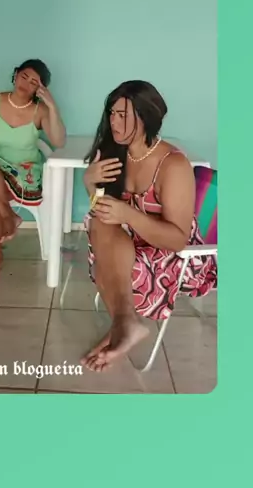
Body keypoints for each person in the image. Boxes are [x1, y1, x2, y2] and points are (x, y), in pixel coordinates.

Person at [81, 80, 217, 372]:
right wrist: (90, 183)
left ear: (145, 117)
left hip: (176, 257)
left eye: (122, 115)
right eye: (111, 113)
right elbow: (105, 208)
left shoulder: (172, 164)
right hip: (133, 243)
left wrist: (127, 215)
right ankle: (125, 323)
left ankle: (122, 324)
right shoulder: (117, 152)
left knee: (107, 256)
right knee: (99, 223)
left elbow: (178, 240)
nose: (113, 122)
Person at [0, 59, 66, 283]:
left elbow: (59, 141)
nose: (25, 83)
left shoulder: (40, 111)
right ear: (16, 74)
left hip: (24, 169)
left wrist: (52, 107)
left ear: (40, 89)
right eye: (24, 76)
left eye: (33, 82)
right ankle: (8, 215)